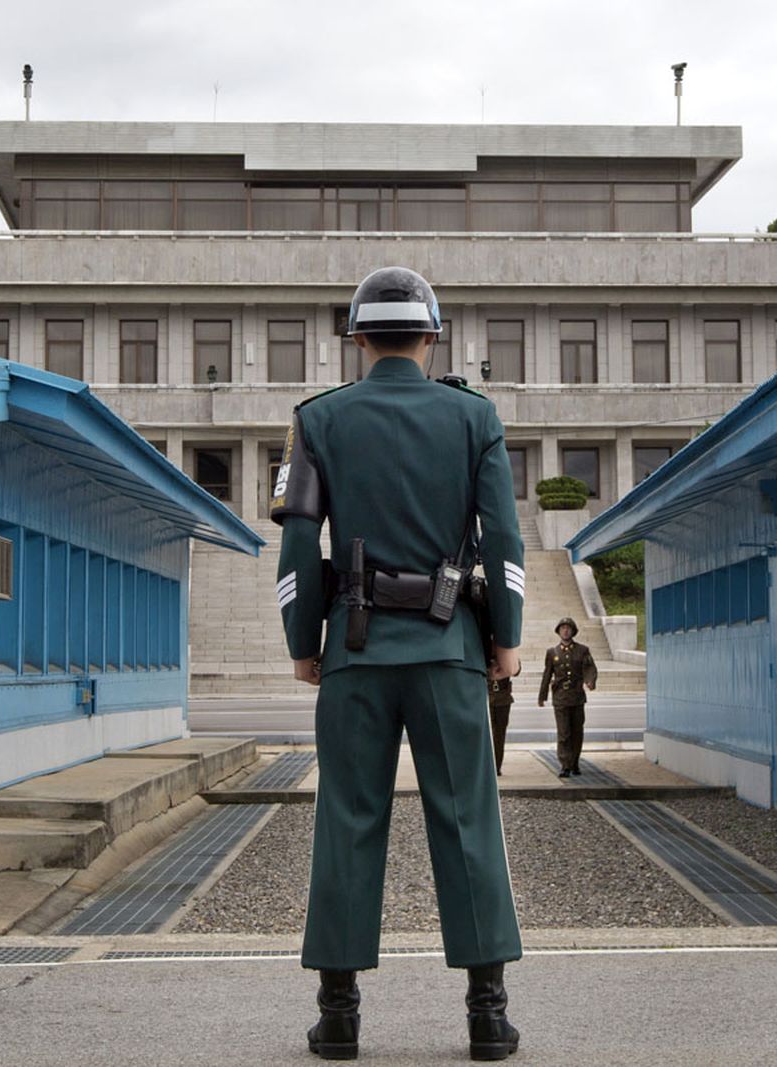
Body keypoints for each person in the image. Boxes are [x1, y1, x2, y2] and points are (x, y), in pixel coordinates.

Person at [273, 266, 525, 1062]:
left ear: (356, 337)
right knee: (467, 821)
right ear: (432, 334)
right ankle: (487, 1013)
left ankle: (339, 1013)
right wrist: (508, 636)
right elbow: (505, 539)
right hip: (449, 649)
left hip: (354, 644)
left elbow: (295, 540)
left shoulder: (319, 419)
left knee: (347, 821)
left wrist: (301, 641)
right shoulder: (473, 416)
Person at [538, 618, 597, 777]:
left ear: (573, 631)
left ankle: (575, 763)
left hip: (577, 696)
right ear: (558, 631)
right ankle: (565, 765)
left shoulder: (582, 650)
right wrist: (542, 695)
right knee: (564, 733)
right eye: (562, 628)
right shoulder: (552, 652)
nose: (565, 631)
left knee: (577, 732)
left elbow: (590, 668)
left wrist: (590, 681)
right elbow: (547, 674)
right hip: (560, 698)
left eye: (568, 628)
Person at [487, 668, 519, 776]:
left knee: (499, 735)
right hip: (487, 697)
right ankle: (488, 765)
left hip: (503, 699)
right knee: (488, 734)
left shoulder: (503, 652)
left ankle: (496, 765)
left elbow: (516, 670)